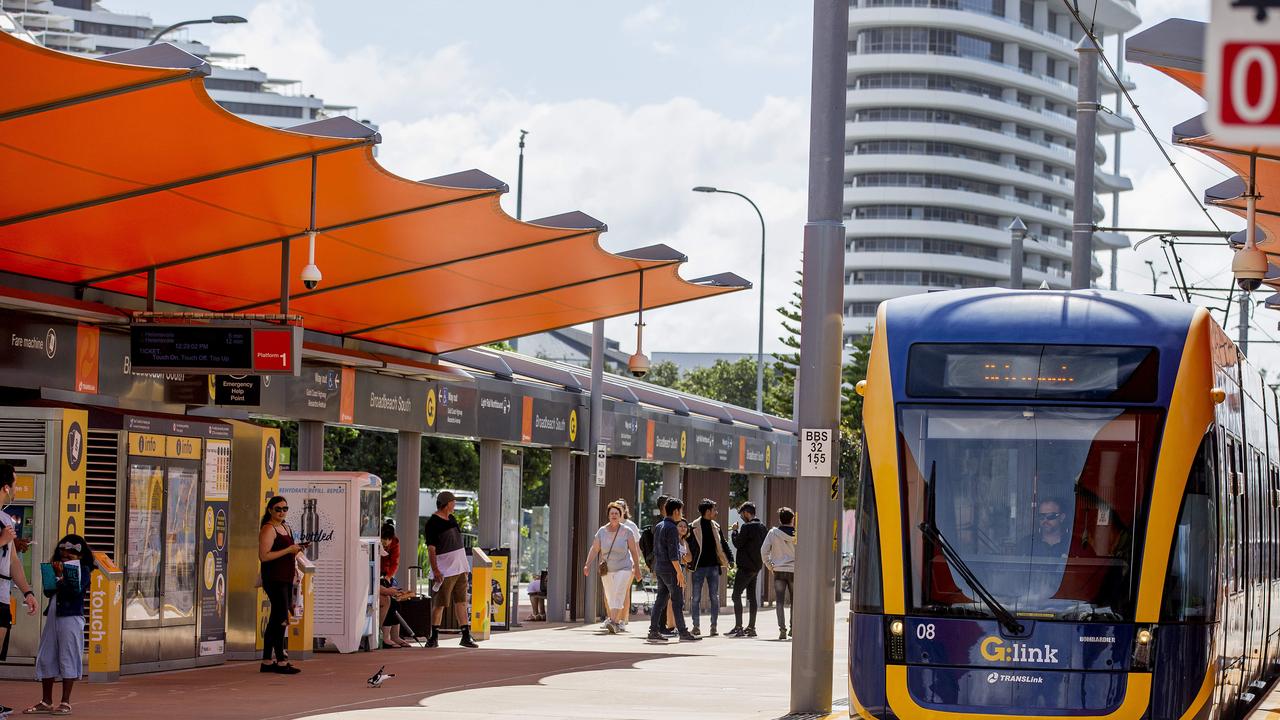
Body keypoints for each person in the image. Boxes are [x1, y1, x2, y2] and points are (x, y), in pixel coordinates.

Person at [25, 534, 95, 715]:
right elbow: (49, 592)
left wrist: (59, 577)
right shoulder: (57, 567)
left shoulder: (84, 570)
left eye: (71, 552)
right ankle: (46, 700)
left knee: (68, 655)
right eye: (63, 550)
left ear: (80, 555)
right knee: (47, 655)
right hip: (54, 616)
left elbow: (74, 591)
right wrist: (52, 576)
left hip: (71, 618)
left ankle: (65, 701)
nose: (66, 554)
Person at [0, 465, 36, 717]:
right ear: (5, 487)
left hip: (2, 594)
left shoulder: (4, 519)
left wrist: (27, 592)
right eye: (14, 483)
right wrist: (1, 541)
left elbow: (13, 562)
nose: (15, 488)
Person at [425, 491, 477, 649]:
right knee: (440, 604)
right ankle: (433, 637)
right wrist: (436, 570)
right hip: (445, 570)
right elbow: (431, 549)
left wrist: (465, 567)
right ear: (446, 504)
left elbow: (458, 544)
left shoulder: (452, 519)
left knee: (462, 602)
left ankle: (466, 636)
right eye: (453, 502)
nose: (454, 505)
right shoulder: (433, 523)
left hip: (460, 569)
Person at [258, 496, 304, 673]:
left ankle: (267, 660)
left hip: (286, 577)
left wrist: (296, 551)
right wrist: (288, 550)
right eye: (278, 509)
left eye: (285, 509)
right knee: (281, 618)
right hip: (274, 577)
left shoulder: (286, 527)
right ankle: (281, 659)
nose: (282, 512)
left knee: (276, 619)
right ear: (270, 510)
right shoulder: (268, 529)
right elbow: (264, 556)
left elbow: (289, 552)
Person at [583, 501, 644, 633]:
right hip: (607, 569)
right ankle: (614, 620)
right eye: (612, 513)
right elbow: (595, 549)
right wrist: (587, 564)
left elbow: (634, 551)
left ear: (621, 515)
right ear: (608, 515)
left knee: (618, 591)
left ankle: (614, 621)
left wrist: (637, 568)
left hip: (624, 567)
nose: (614, 515)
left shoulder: (627, 531)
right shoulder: (602, 531)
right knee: (610, 595)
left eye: (617, 513)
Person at [646, 499, 699, 643]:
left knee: (661, 600)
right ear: (676, 511)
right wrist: (679, 573)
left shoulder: (659, 526)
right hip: (671, 569)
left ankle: (653, 631)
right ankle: (682, 631)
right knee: (677, 601)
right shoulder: (671, 528)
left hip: (660, 568)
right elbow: (673, 554)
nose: (681, 514)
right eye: (680, 511)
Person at [686, 498, 732, 636]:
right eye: (714, 510)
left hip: (713, 566)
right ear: (707, 511)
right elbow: (687, 545)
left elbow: (723, 543)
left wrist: (730, 559)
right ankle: (696, 626)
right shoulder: (692, 527)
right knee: (695, 598)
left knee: (714, 597)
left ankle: (714, 626)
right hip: (698, 567)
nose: (716, 512)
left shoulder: (716, 526)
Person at [727, 502, 768, 638]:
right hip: (756, 567)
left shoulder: (746, 527)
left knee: (735, 595)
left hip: (745, 567)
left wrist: (734, 531)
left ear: (746, 512)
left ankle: (739, 627)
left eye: (741, 514)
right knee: (752, 598)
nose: (741, 517)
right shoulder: (763, 527)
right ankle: (751, 627)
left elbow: (738, 543)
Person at [762, 506, 797, 641]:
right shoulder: (797, 533)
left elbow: (763, 551)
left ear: (780, 519)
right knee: (795, 602)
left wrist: (770, 566)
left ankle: (782, 630)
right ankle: (793, 628)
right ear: (792, 519)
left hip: (779, 571)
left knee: (780, 602)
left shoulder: (773, 533)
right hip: (794, 571)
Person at [378, 523, 412, 648]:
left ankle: (395, 636)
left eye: (388, 539)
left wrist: (388, 577)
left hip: (386, 575)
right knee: (389, 600)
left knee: (397, 602)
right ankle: (385, 637)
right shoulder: (375, 544)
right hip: (375, 574)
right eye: (384, 539)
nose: (386, 542)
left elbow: (395, 563)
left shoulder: (395, 542)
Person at [638, 494, 668, 631]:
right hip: (661, 564)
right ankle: (658, 626)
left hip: (659, 564)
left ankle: (660, 625)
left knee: (663, 596)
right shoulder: (660, 524)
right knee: (662, 596)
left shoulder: (660, 522)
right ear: (663, 507)